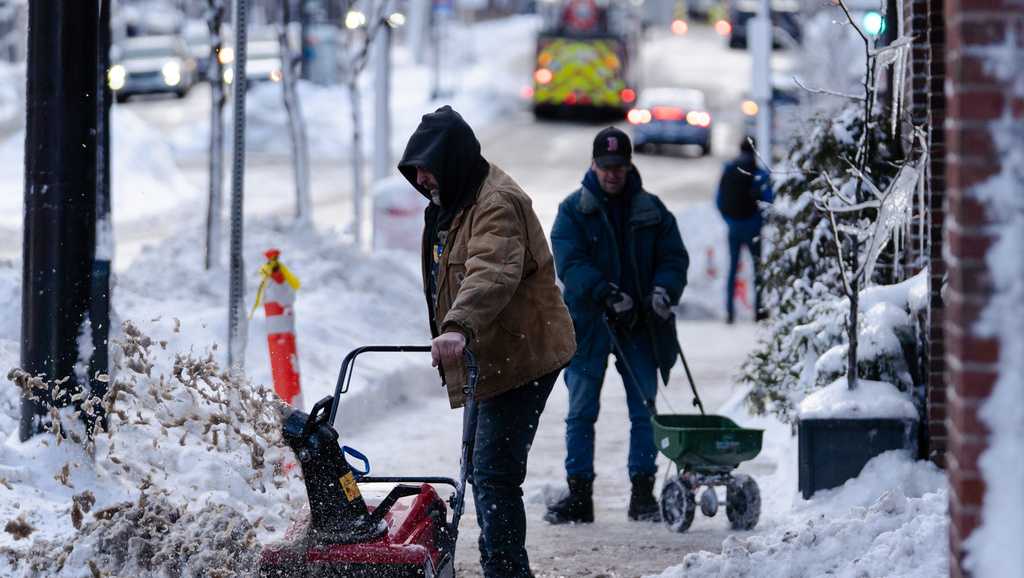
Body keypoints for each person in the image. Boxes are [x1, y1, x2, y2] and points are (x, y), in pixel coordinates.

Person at [398, 105, 577, 578]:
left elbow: (492, 273)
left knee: (494, 470)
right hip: (490, 350)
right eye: (414, 169)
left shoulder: (496, 202)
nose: (420, 178)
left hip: (524, 352)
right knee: (479, 468)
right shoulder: (452, 203)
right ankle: (499, 560)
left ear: (453, 159)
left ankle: (505, 569)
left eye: (427, 167)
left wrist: (456, 326)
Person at [546, 127, 689, 525]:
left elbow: (674, 257)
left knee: (645, 411)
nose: (612, 174)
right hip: (589, 325)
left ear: (629, 166)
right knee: (580, 412)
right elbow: (569, 263)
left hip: (640, 325)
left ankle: (642, 495)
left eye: (619, 167)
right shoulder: (572, 210)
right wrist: (606, 293)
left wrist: (664, 290)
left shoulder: (653, 211)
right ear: (593, 164)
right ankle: (580, 496)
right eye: (605, 166)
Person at [715, 138, 774, 324]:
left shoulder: (729, 169)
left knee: (732, 269)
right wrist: (760, 220)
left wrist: (729, 220)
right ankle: (759, 311)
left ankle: (730, 313)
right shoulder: (758, 173)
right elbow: (769, 200)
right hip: (753, 226)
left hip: (733, 226)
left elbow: (718, 200)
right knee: (757, 270)